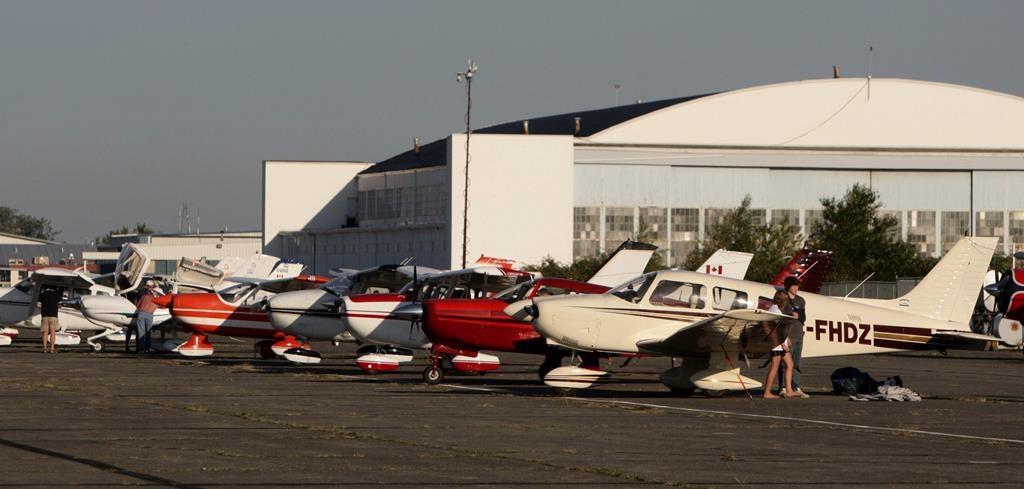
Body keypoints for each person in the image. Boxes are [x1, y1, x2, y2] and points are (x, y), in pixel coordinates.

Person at [774, 276, 809, 398]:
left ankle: (796, 386)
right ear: (788, 286)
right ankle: (783, 387)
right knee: (785, 363)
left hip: (799, 332)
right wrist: (790, 314)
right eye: (793, 285)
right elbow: (779, 315)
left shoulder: (801, 300)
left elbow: (803, 317)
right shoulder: (783, 298)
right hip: (788, 334)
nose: (796, 288)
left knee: (797, 362)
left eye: (797, 285)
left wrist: (797, 315)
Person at [134, 280, 159, 353]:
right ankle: (147, 348)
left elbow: (137, 305)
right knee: (148, 332)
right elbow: (162, 306)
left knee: (141, 332)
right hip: (149, 314)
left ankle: (141, 349)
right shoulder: (156, 299)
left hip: (141, 313)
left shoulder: (143, 295)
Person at [37, 285, 62, 353]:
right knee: (53, 333)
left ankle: (45, 348)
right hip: (53, 316)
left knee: (45, 333)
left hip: (44, 315)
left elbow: (38, 305)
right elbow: (59, 305)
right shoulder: (57, 294)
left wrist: (44, 306)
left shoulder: (42, 294)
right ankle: (52, 349)